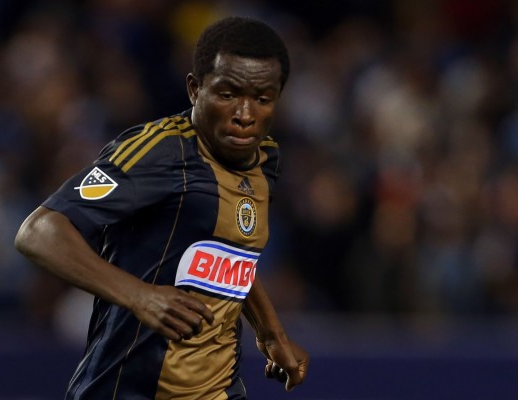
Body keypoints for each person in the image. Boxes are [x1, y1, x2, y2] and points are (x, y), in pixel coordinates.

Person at [15, 16, 309, 399]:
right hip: (126, 389)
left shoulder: (265, 159)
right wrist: (140, 296)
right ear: (194, 89)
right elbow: (39, 232)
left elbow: (230, 252)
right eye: (227, 94)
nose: (245, 114)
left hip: (218, 388)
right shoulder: (159, 153)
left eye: (262, 99)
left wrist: (271, 333)